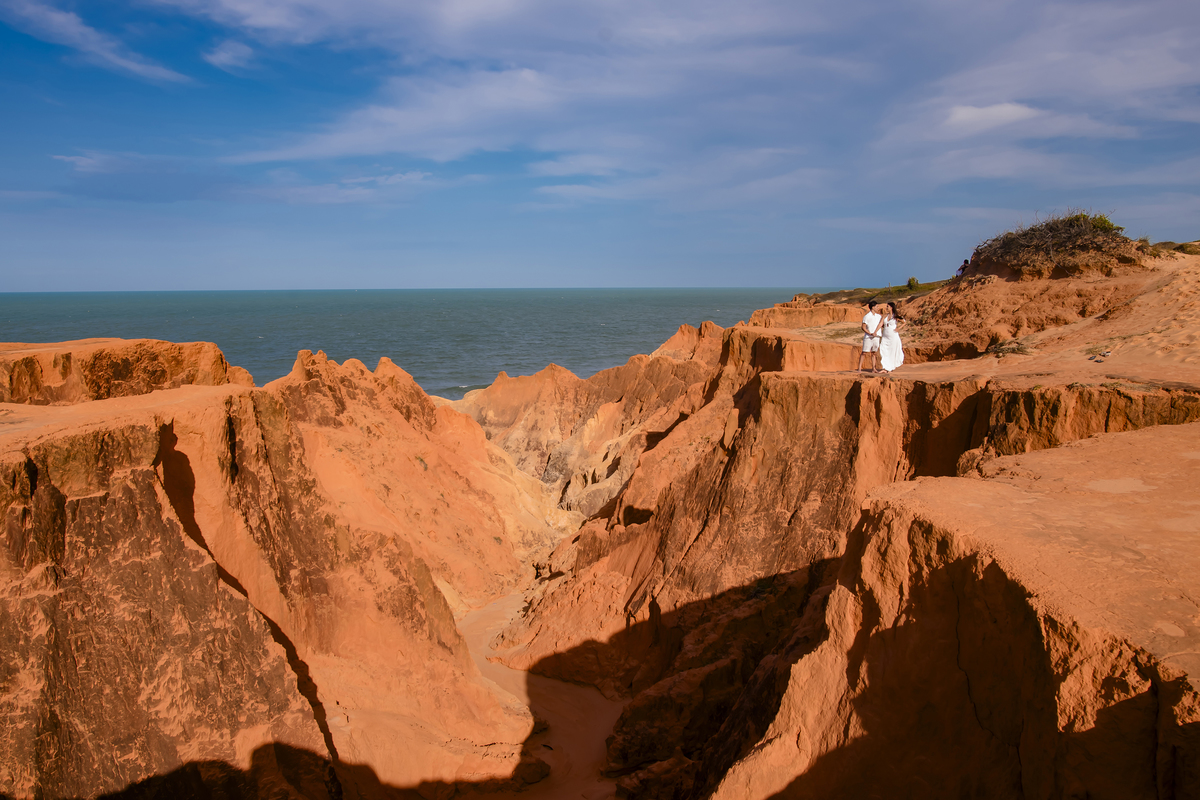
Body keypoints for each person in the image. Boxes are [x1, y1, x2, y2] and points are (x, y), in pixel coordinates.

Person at [879, 301, 905, 373]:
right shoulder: (885, 315)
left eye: (887, 306)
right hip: (885, 336)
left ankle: (888, 368)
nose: (886, 308)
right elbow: (881, 324)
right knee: (883, 350)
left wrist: (898, 328)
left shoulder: (895, 316)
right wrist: (875, 331)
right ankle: (886, 367)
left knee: (891, 352)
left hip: (893, 337)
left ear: (891, 307)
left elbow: (904, 322)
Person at [857, 300, 882, 372]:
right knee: (864, 352)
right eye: (877, 306)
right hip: (868, 337)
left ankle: (874, 368)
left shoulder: (879, 316)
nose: (878, 308)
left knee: (874, 353)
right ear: (873, 307)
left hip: (877, 337)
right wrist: (870, 333)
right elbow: (863, 327)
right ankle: (859, 368)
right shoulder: (867, 316)